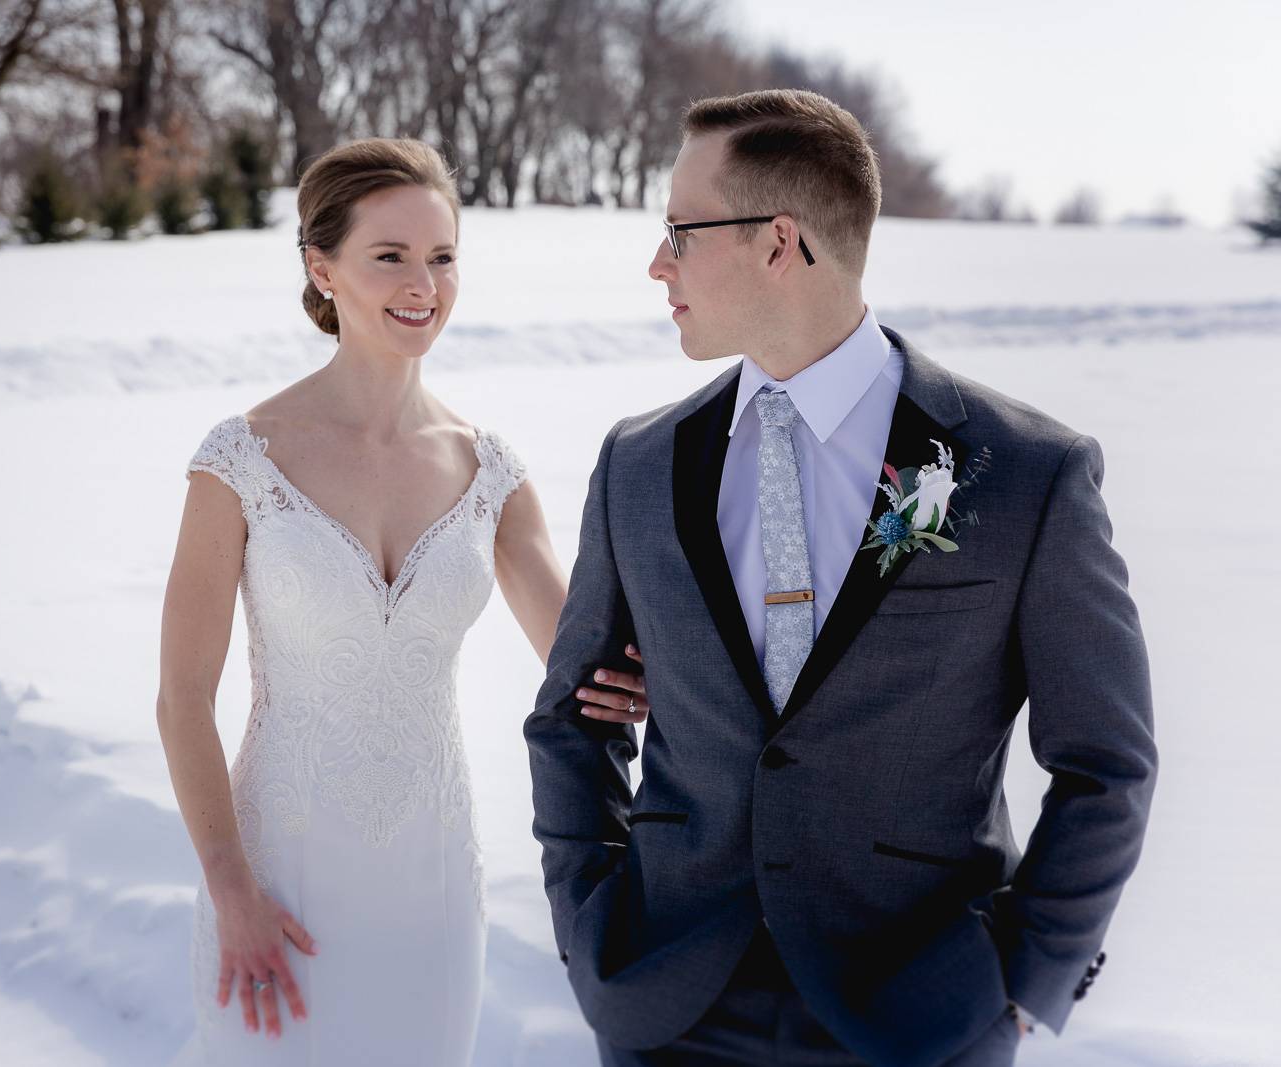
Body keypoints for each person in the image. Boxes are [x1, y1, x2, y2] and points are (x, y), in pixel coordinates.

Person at [526, 89, 1158, 1067]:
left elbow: (1107, 762)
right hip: (667, 1005)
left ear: (779, 242)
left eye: (681, 231)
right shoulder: (640, 463)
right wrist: (589, 927)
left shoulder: (1023, 472)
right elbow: (572, 720)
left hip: (917, 1011)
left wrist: (1023, 978)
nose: (657, 262)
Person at [156, 137, 649, 1066]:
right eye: (390, 255)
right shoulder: (239, 461)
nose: (423, 284)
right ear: (323, 268)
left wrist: (655, 679)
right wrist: (232, 890)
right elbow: (182, 699)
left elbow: (580, 657)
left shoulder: (489, 471)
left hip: (433, 890)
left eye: (442, 256)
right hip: (276, 886)